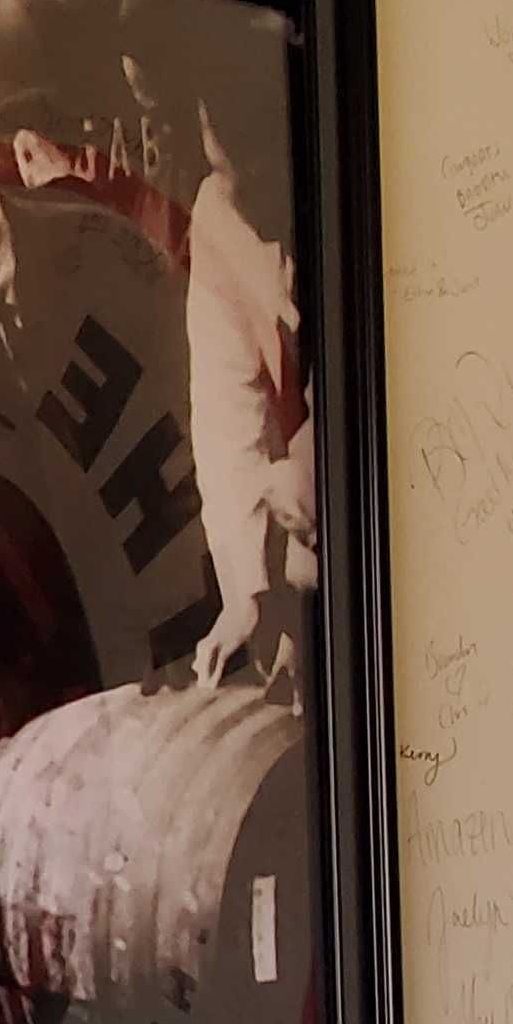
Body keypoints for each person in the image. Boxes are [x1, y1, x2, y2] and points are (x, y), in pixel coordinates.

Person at [183, 95, 315, 695]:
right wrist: (246, 594)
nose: (234, 191)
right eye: (220, 165)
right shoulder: (218, 212)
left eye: (249, 171)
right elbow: (224, 418)